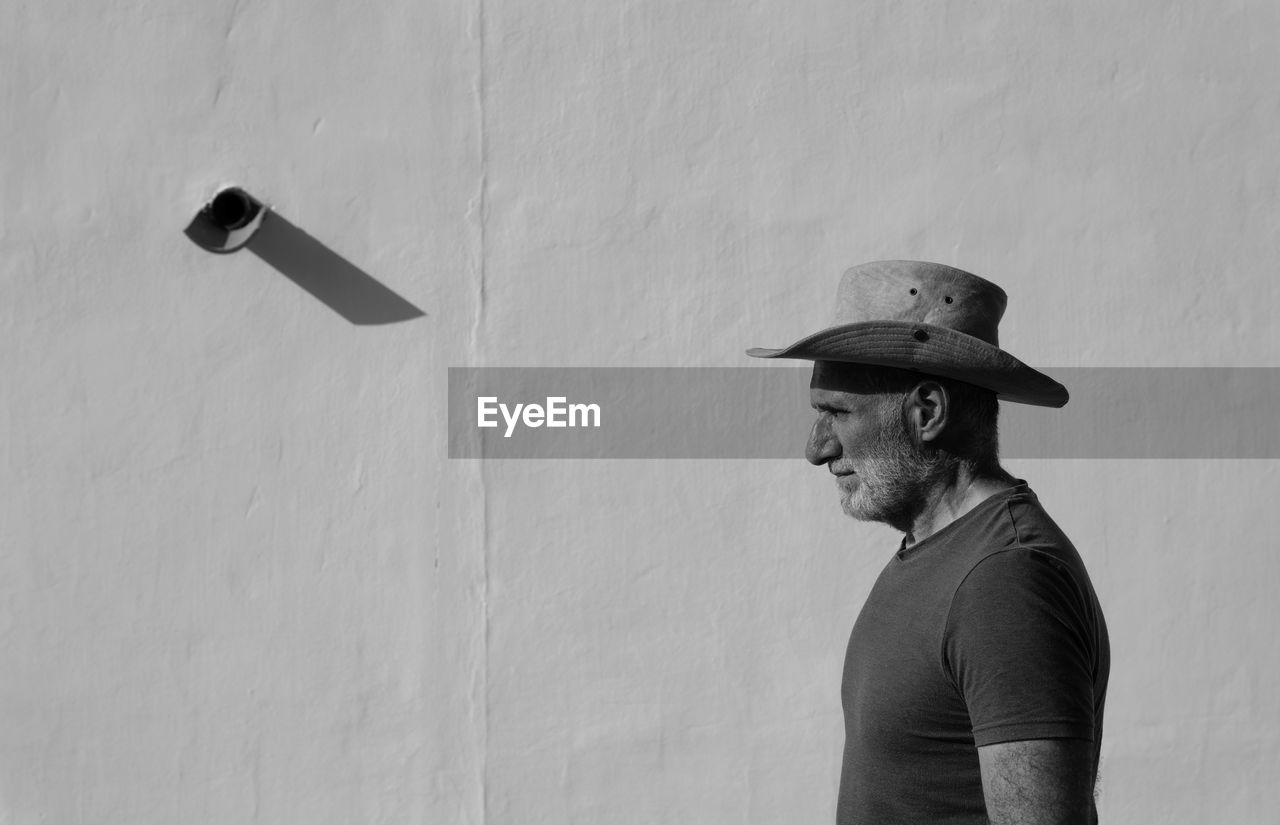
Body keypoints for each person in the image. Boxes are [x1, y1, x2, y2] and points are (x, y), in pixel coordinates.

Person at [748, 260, 1110, 825]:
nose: (816, 449)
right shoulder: (937, 550)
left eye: (836, 413)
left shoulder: (1003, 577)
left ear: (928, 411)